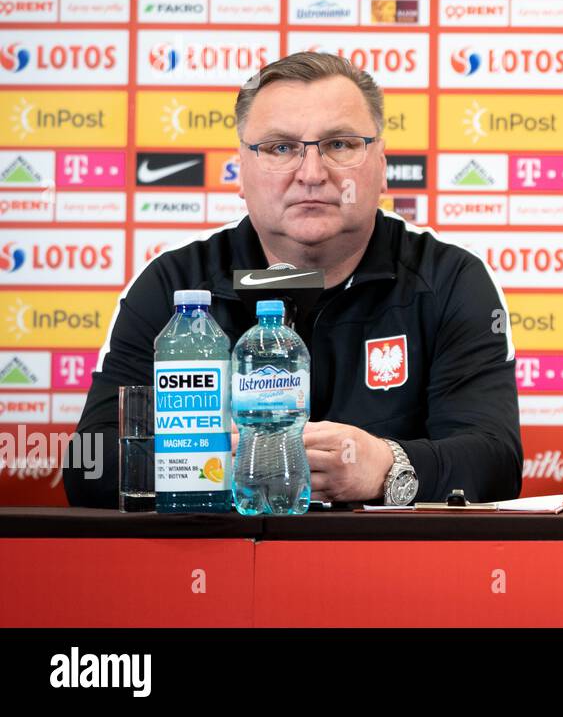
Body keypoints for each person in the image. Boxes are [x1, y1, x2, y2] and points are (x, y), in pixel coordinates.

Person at [64, 52, 521, 507]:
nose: (312, 173)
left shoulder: (451, 280)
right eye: (281, 148)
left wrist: (387, 465)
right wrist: (230, 458)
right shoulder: (174, 285)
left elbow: (495, 463)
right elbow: (88, 465)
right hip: (220, 567)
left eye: (340, 144)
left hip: (393, 571)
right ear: (241, 170)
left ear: (381, 165)